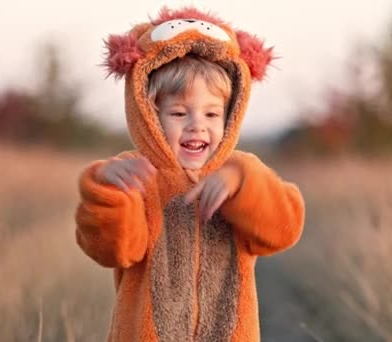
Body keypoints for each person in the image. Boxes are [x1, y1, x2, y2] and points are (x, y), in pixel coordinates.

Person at [75, 6, 305, 342]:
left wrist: (243, 183)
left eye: (212, 113)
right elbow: (113, 250)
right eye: (180, 112)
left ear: (230, 116)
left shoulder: (239, 173)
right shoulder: (139, 177)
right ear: (151, 115)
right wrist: (110, 192)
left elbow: (283, 230)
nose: (197, 125)